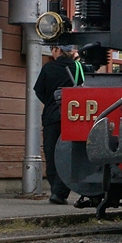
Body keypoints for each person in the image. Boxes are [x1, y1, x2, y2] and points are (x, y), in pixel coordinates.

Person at [33, 44, 83, 205]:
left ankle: (56, 189)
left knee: (51, 152)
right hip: (73, 117)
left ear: (57, 50)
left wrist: (50, 102)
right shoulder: (78, 68)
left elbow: (39, 90)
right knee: (69, 154)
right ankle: (61, 191)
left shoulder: (48, 68)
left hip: (51, 116)